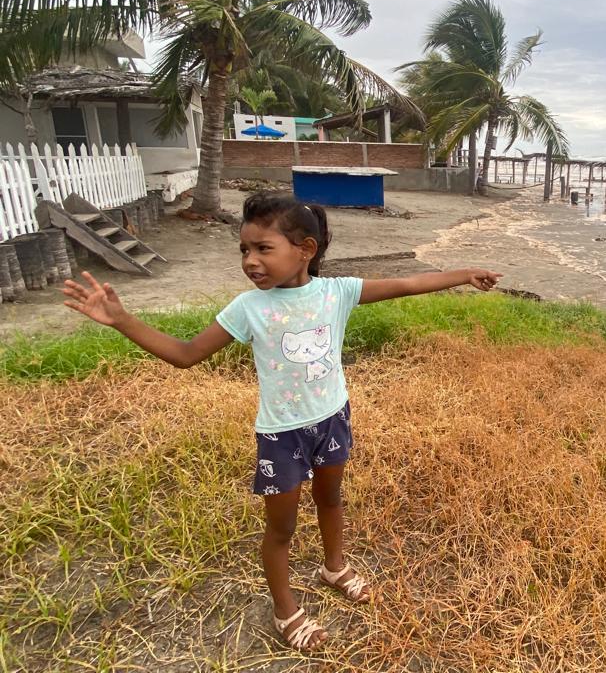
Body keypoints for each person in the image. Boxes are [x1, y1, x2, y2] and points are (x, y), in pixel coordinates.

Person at [61, 192, 502, 651]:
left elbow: (408, 282)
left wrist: (463, 274)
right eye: (244, 250)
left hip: (332, 418)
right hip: (282, 435)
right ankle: (284, 609)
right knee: (282, 528)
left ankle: (335, 567)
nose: (250, 261)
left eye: (263, 249)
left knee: (331, 499)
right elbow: (185, 355)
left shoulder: (338, 292)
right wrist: (121, 319)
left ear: (305, 249)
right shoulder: (249, 308)